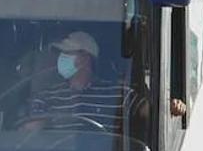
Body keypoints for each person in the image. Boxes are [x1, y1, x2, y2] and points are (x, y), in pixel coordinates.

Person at [20, 31, 185, 132]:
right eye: (61, 53)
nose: (61, 58)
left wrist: (172, 106)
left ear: (85, 58)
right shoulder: (46, 95)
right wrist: (37, 125)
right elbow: (28, 131)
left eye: (67, 53)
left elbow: (149, 111)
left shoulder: (117, 93)